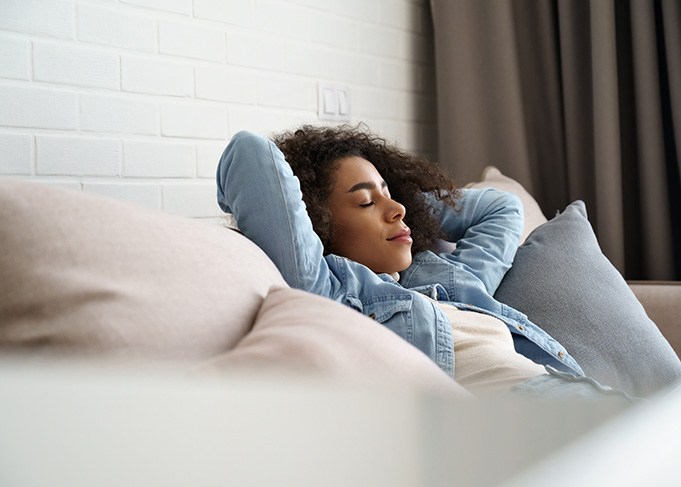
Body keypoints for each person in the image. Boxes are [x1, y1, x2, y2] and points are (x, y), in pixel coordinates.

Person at [216, 124, 632, 402]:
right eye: (365, 201)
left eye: (389, 193)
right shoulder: (334, 288)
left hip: (580, 394)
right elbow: (250, 154)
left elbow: (501, 209)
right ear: (319, 225)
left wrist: (407, 203)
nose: (394, 208)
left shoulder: (449, 280)